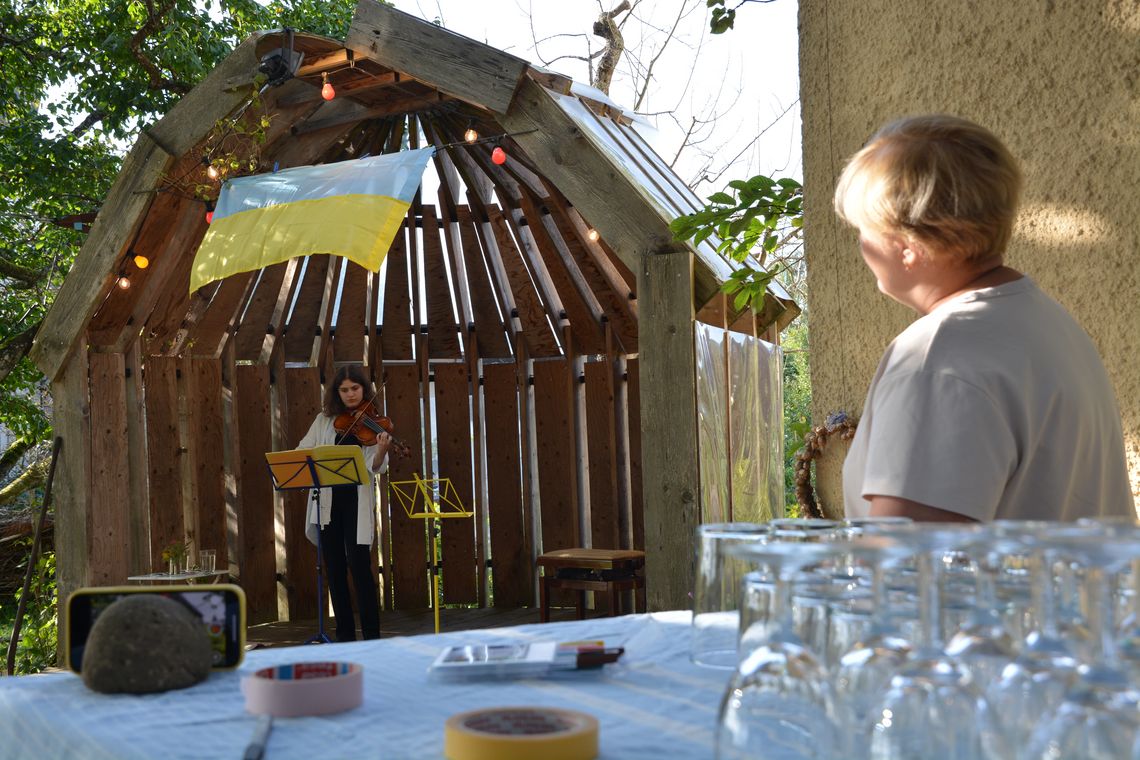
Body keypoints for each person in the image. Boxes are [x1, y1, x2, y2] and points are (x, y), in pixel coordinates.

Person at [834, 114, 1133, 523]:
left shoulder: (936, 360)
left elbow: (906, 558)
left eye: (864, 229)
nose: (860, 244)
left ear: (907, 248)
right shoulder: (1046, 322)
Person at [299, 365, 391, 640]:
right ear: (337, 393)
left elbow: (376, 467)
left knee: (360, 568)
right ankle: (345, 637)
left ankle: (372, 636)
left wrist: (382, 449)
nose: (350, 394)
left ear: (364, 390)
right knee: (335, 569)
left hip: (356, 503)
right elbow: (303, 450)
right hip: (327, 503)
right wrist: (316, 455)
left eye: (355, 388)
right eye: (344, 390)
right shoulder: (324, 420)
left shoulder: (373, 422)